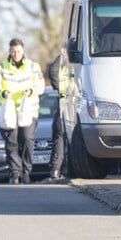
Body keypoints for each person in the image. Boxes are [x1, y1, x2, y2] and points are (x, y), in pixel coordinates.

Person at [0, 38, 44, 184]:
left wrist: (31, 90)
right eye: (13, 51)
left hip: (28, 111)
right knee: (11, 143)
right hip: (9, 112)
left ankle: (26, 172)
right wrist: (3, 93)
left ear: (23, 51)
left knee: (27, 139)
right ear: (9, 51)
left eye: (18, 51)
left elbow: (40, 86)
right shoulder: (0, 68)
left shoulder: (33, 67)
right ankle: (15, 174)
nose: (16, 54)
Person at [46, 50, 65, 181]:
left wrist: (60, 89)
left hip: (65, 101)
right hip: (75, 101)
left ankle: (56, 170)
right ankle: (58, 169)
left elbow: (53, 70)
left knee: (59, 136)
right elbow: (53, 71)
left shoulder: (65, 55)